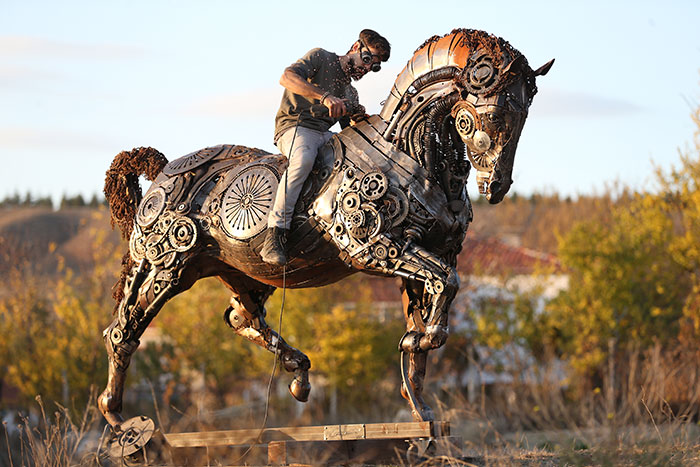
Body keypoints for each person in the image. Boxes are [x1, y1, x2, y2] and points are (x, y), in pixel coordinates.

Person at [261, 29, 391, 265]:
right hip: (296, 127)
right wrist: (325, 97)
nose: (367, 68)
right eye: (367, 59)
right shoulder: (321, 57)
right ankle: (275, 232)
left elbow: (351, 128)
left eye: (374, 67)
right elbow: (286, 77)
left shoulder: (350, 92)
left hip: (326, 135)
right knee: (303, 160)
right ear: (355, 47)